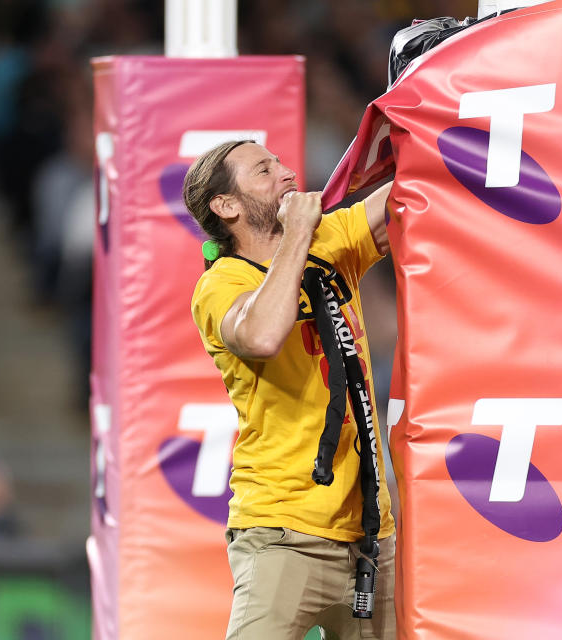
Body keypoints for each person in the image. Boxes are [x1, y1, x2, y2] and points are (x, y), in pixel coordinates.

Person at [183, 140, 396, 640]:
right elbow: (260, 335)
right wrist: (299, 232)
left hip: (370, 536)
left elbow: (418, 191)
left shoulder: (330, 240)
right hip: (283, 532)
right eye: (264, 170)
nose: (286, 173)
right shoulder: (221, 285)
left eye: (279, 162)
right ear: (227, 206)